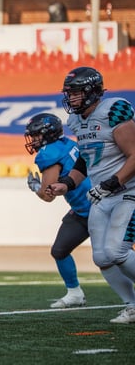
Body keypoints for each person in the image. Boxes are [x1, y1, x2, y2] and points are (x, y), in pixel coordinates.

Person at [48, 66, 135, 324]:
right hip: (102, 195)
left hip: (128, 191)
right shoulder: (77, 121)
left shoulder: (113, 111)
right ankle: (131, 305)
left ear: (92, 91)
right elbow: (85, 162)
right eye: (69, 93)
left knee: (117, 251)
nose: (71, 98)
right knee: (101, 257)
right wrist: (66, 183)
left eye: (75, 93)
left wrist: (112, 182)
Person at [24, 112, 91, 307]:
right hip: (83, 209)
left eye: (36, 135)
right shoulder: (67, 143)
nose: (33, 140)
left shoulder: (49, 153)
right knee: (60, 250)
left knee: (114, 255)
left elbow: (48, 195)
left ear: (47, 134)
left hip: (95, 208)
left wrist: (36, 187)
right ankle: (75, 293)